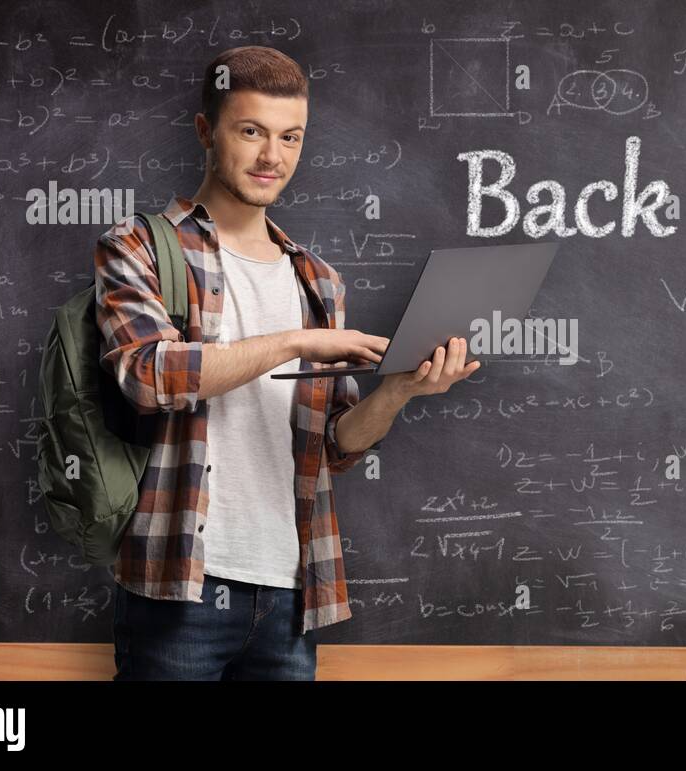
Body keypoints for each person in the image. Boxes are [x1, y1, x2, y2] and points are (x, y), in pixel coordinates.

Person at [96, 45, 479, 680]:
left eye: (290, 137)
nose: (272, 156)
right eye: (251, 131)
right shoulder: (135, 245)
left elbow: (335, 446)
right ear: (206, 131)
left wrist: (399, 391)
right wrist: (296, 343)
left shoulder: (318, 280)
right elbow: (148, 376)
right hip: (178, 588)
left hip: (291, 592)